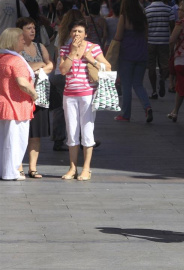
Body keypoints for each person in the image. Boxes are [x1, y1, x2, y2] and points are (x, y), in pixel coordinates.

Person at [58, 19, 110, 181]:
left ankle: (86, 168)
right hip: (69, 95)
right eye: (74, 31)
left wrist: (91, 59)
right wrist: (72, 54)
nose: (76, 34)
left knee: (87, 131)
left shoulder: (93, 48)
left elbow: (107, 67)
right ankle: (72, 167)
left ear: (86, 34)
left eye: (80, 31)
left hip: (88, 94)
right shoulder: (65, 49)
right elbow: (63, 70)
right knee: (72, 131)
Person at [17, 17, 53, 179]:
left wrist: (41, 66)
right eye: (28, 28)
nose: (32, 31)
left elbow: (50, 64)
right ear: (20, 31)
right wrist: (39, 65)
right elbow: (23, 68)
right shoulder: (16, 48)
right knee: (20, 132)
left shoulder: (40, 46)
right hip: (21, 96)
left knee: (35, 133)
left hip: (40, 94)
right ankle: (18, 166)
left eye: (33, 28)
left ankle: (33, 167)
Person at [0, 28, 37, 181]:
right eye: (21, 38)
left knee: (4, 141)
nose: (24, 41)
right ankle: (11, 172)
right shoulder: (16, 60)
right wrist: (34, 94)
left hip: (4, 104)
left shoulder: (2, 58)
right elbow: (22, 83)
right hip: (17, 106)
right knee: (15, 142)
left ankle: (5, 170)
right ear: (13, 41)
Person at [112, 0, 153, 123]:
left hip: (127, 54)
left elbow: (119, 36)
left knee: (126, 85)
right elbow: (146, 35)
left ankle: (125, 114)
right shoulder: (142, 17)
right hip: (141, 53)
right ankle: (147, 106)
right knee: (138, 84)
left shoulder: (124, 17)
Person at [50, 9, 84, 152]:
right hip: (70, 74)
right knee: (78, 107)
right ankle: (82, 140)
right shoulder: (76, 36)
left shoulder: (60, 35)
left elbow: (57, 55)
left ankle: (59, 139)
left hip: (58, 74)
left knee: (59, 109)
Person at [145, 0, 175, 99]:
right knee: (165, 65)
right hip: (164, 42)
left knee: (151, 67)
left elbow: (145, 27)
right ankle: (162, 78)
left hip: (151, 42)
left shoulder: (147, 10)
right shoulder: (169, 9)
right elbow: (172, 26)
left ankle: (154, 91)